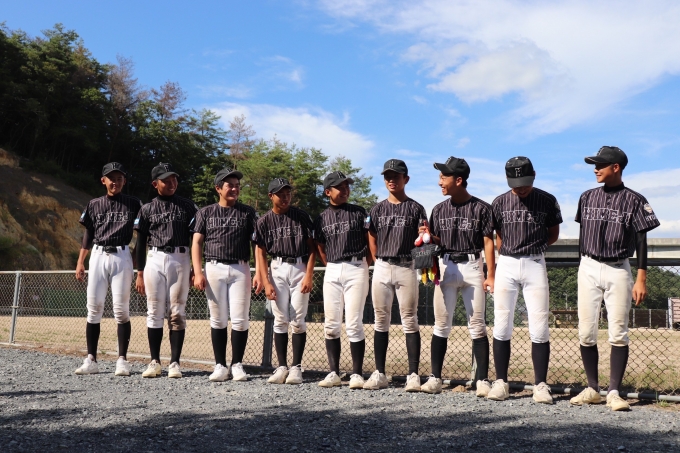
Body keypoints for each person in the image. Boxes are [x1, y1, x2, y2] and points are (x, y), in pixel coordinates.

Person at [569, 146, 660, 411]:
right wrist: (582, 265)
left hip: (619, 268)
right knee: (586, 331)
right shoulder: (587, 197)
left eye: (600, 165)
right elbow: (583, 234)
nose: (595, 169)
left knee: (618, 332)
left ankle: (614, 392)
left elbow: (642, 239)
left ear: (616, 167)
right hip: (588, 266)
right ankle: (592, 389)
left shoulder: (635, 199)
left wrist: (641, 277)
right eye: (595, 165)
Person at [488, 156, 562, 404]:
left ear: (534, 175)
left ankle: (540, 385)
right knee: (501, 323)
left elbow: (553, 233)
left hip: (534, 262)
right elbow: (497, 235)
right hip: (507, 263)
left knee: (539, 326)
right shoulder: (499, 202)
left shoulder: (547, 200)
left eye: (525, 183)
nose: (521, 188)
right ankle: (501, 382)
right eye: (516, 184)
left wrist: (535, 248)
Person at [419, 157, 495, 395]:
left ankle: (482, 380)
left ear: (459, 180)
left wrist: (490, 274)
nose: (440, 181)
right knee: (441, 325)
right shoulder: (438, 209)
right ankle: (435, 378)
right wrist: (428, 236)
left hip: (473, 265)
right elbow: (437, 242)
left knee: (477, 325)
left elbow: (488, 242)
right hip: (446, 265)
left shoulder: (482, 208)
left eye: (444, 177)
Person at [190, 168, 262, 382]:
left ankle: (237, 364)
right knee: (218, 318)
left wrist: (259, 272)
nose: (234, 188)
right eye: (229, 185)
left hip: (241, 268)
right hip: (214, 267)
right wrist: (197, 271)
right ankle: (220, 365)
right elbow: (196, 242)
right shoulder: (205, 212)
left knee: (240, 318)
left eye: (237, 185)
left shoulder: (248, 212)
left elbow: (257, 243)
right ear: (218, 188)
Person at [364, 159, 427, 392]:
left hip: (406, 266)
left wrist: (422, 262)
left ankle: (413, 375)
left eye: (396, 176)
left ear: (406, 179)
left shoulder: (416, 208)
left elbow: (423, 239)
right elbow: (371, 235)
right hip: (382, 265)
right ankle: (380, 373)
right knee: (381, 319)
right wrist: (376, 259)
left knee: (409, 319)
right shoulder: (377, 209)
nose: (391, 180)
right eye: (388, 176)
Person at [74, 162, 142, 376]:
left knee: (121, 310)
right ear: (103, 180)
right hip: (98, 254)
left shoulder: (133, 203)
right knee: (94, 308)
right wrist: (80, 261)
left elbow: (142, 234)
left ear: (124, 181)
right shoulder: (94, 204)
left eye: (119, 178)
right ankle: (91, 359)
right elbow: (88, 234)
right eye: (111, 178)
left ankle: (122, 360)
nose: (116, 182)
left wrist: (135, 258)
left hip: (122, 255)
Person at [134, 163, 198, 379]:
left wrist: (196, 268)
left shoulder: (188, 206)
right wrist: (140, 272)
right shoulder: (147, 209)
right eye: (166, 180)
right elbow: (140, 241)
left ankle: (175, 363)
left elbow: (197, 238)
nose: (171, 183)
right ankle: (154, 361)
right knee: (154, 310)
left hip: (180, 257)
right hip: (155, 257)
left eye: (174, 179)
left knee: (177, 312)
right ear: (155, 184)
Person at [255, 178, 317, 385]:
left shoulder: (301, 216)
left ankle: (296, 367)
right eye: (280, 194)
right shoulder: (264, 221)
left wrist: (309, 275)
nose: (285, 197)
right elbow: (261, 253)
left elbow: (312, 248)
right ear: (270, 196)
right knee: (280, 319)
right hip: (277, 267)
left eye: (288, 193)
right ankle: (282, 367)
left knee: (298, 319)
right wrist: (266, 281)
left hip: (299, 266)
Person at [314, 171, 372, 389]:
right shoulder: (321, 217)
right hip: (332, 268)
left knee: (354, 322)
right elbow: (320, 246)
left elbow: (370, 241)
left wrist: (364, 264)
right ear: (328, 192)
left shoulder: (359, 212)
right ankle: (334, 373)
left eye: (347, 186)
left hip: (356, 266)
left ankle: (357, 374)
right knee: (331, 323)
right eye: (340, 186)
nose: (345, 189)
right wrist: (330, 264)